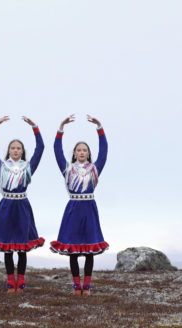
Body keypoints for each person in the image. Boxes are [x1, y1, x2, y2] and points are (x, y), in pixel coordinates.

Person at [0, 116, 45, 293]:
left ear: (22, 151)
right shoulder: (1, 167)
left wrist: (35, 127)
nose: (15, 151)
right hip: (6, 207)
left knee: (22, 248)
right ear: (8, 151)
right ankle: (10, 282)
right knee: (7, 247)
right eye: (12, 148)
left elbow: (41, 148)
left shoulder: (28, 167)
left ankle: (21, 282)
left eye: (18, 148)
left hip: (22, 207)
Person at [50, 114, 109, 296]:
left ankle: (87, 287)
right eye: (78, 150)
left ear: (88, 153)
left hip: (89, 209)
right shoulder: (67, 169)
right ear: (74, 153)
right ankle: (77, 286)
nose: (82, 152)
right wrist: (61, 129)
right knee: (73, 250)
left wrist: (99, 128)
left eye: (84, 150)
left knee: (90, 249)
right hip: (73, 210)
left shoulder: (95, 168)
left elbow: (105, 150)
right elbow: (57, 151)